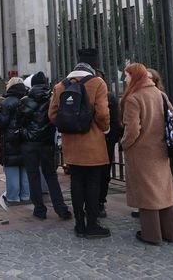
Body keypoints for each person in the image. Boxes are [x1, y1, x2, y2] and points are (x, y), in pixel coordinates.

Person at [49, 48, 111, 238]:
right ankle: (92, 224)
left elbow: (52, 115)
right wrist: (104, 128)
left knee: (76, 182)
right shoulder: (97, 83)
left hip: (71, 144)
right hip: (93, 143)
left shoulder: (60, 85)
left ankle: (79, 224)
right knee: (93, 183)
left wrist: (69, 126)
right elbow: (102, 113)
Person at [120, 63, 173, 245]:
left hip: (141, 152)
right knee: (163, 190)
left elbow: (132, 130)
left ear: (135, 76)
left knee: (147, 193)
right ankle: (169, 233)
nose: (125, 78)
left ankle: (152, 235)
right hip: (160, 149)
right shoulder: (160, 94)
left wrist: (124, 144)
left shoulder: (133, 98)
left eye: (127, 75)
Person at [18, 72, 71, 220]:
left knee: (33, 176)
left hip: (29, 144)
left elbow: (19, 122)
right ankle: (61, 208)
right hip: (46, 143)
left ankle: (39, 209)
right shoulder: (52, 99)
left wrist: (25, 133)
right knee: (51, 176)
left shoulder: (25, 101)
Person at [0, 77, 30, 205]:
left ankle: (13, 196)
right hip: (25, 138)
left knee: (12, 167)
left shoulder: (7, 102)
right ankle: (26, 195)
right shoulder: (28, 100)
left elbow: (2, 123)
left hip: (10, 139)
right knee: (25, 167)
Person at [95, 69, 123, 218]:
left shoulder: (108, 97)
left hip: (100, 140)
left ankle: (97, 202)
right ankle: (99, 202)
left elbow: (114, 119)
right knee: (104, 172)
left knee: (98, 173)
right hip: (107, 140)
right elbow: (116, 121)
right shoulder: (110, 96)